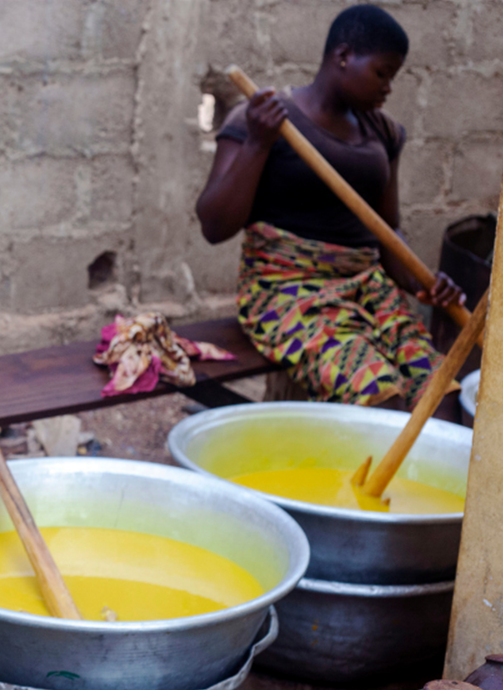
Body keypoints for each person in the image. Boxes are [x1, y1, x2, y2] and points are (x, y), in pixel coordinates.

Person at [196, 4, 465, 411]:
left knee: (439, 391)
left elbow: (386, 230)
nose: (388, 88)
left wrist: (420, 281)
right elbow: (214, 225)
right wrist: (257, 143)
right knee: (379, 393)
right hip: (287, 292)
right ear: (343, 57)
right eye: (382, 72)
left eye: (393, 76)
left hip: (367, 291)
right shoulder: (266, 119)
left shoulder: (384, 131)